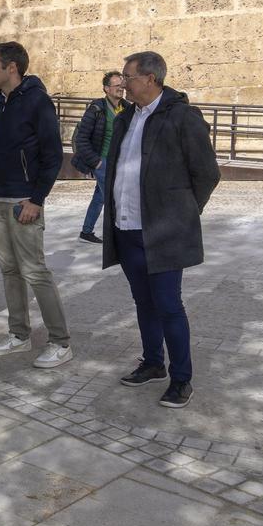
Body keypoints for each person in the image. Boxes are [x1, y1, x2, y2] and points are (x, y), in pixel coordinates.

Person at [105, 51, 220, 408]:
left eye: (128, 77)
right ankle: (153, 362)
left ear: (151, 79)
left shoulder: (182, 117)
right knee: (143, 302)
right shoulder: (127, 119)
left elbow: (207, 173)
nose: (123, 83)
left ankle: (181, 378)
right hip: (126, 228)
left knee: (169, 305)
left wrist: (182, 212)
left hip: (162, 232)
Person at [0, 41, 73, 369]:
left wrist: (37, 199)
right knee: (9, 271)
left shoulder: (37, 101)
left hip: (24, 202)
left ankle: (61, 342)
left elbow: (53, 156)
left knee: (35, 271)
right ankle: (19, 336)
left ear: (11, 68)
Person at [73, 71, 126, 244]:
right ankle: (116, 236)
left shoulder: (126, 108)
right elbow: (81, 139)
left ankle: (86, 232)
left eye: (122, 85)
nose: (121, 88)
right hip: (102, 162)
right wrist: (96, 162)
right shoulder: (97, 108)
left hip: (119, 163)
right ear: (106, 89)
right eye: (116, 85)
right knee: (113, 198)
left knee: (100, 197)